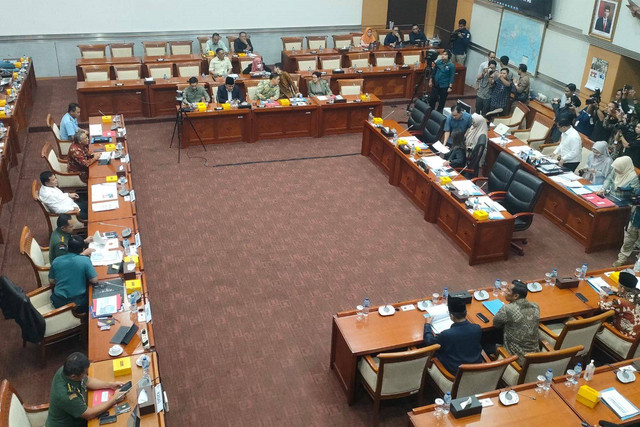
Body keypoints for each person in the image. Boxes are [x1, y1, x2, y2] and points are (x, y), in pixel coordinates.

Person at [46, 352, 127, 427]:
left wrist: (110, 385)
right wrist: (114, 399)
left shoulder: (67, 370)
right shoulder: (65, 394)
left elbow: (88, 381)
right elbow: (88, 414)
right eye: (84, 373)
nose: (86, 375)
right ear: (73, 376)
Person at [423, 297, 482, 375]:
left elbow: (429, 341)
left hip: (454, 373)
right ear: (466, 313)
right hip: (476, 369)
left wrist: (427, 325)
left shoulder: (447, 334)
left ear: (452, 316)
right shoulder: (477, 328)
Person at [492, 280, 540, 365]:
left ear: (516, 296)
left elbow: (496, 324)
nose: (505, 292)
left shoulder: (508, 309)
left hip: (517, 358)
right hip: (535, 356)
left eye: (508, 290)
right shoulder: (535, 306)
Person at [48, 235, 98, 312]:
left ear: (67, 247)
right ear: (83, 249)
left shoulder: (56, 261)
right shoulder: (85, 260)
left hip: (58, 302)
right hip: (77, 304)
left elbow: (51, 280)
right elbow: (94, 280)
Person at [598, 271, 640, 337]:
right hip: (636, 336)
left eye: (619, 286)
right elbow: (629, 297)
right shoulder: (638, 296)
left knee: (600, 324)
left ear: (623, 289)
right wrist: (618, 291)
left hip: (625, 338)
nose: (617, 287)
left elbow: (603, 307)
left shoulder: (621, 302)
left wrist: (603, 298)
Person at [614, 187, 640, 267]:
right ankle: (621, 259)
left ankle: (638, 264)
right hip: (634, 220)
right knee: (628, 240)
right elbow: (634, 199)